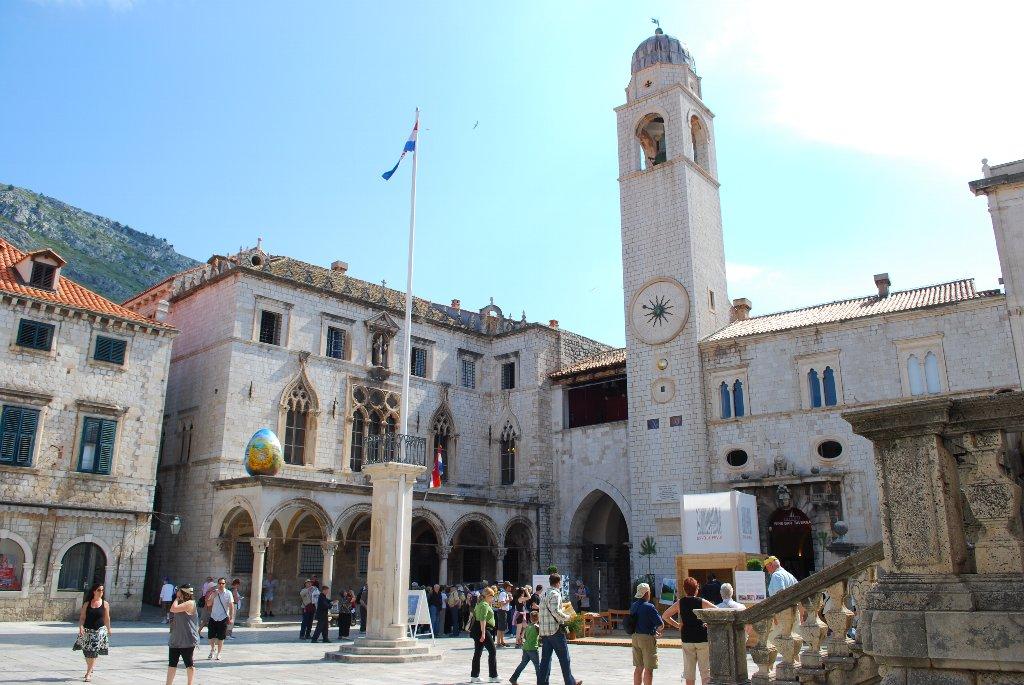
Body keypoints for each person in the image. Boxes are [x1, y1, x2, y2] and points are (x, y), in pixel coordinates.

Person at [661, 577, 715, 685]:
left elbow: (665, 616)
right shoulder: (701, 601)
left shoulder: (680, 603)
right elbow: (717, 611)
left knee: (689, 673)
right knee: (705, 672)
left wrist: (677, 625)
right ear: (697, 589)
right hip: (702, 638)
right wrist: (709, 623)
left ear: (684, 589)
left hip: (687, 638)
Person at [538, 574, 582, 685]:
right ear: (558, 582)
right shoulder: (555, 594)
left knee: (545, 660)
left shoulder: (544, 594)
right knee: (564, 659)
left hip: (545, 632)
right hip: (555, 631)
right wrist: (568, 617)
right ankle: (570, 682)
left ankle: (542, 683)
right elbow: (555, 612)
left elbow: (544, 612)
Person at [630, 583, 664, 685]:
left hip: (635, 637)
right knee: (649, 668)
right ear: (647, 593)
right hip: (647, 638)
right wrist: (657, 631)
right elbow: (660, 624)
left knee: (638, 667)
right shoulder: (649, 606)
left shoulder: (633, 606)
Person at [76, 583, 111, 682]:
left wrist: (109, 629)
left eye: (102, 590)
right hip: (87, 631)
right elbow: (82, 618)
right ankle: (90, 667)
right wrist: (81, 627)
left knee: (93, 652)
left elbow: (107, 618)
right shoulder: (87, 604)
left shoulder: (105, 604)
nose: (101, 592)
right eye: (99, 590)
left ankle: (88, 673)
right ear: (94, 591)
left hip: (99, 631)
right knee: (87, 652)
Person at [166, 583, 199, 685]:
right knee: (172, 664)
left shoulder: (191, 603)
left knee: (189, 664)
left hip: (187, 639)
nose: (177, 592)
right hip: (176, 638)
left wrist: (177, 598)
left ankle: (190, 683)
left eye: (179, 591)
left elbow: (173, 609)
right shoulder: (182, 602)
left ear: (183, 592)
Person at [469, 586, 499, 683]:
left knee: (478, 652)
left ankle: (474, 676)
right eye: (492, 596)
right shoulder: (484, 605)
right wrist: (483, 634)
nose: (493, 598)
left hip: (478, 629)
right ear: (488, 596)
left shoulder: (480, 603)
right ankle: (493, 676)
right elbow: (482, 619)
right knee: (492, 651)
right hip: (483, 629)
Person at [205, 577, 234, 661]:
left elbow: (231, 606)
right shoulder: (214, 592)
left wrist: (231, 617)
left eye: (223, 583)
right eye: (220, 583)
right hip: (213, 616)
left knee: (221, 637)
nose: (221, 585)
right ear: (217, 584)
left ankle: (219, 653)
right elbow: (208, 604)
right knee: (211, 636)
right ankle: (212, 649)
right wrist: (213, 596)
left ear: (225, 584)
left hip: (223, 617)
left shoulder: (228, 593)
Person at [509, 610, 541, 685]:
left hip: (525, 648)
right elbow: (541, 636)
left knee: (522, 664)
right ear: (538, 618)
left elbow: (525, 637)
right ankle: (540, 682)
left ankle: (513, 678)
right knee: (538, 667)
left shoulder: (527, 627)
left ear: (530, 618)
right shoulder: (537, 627)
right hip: (533, 648)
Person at [495, 583, 510, 647]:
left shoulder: (504, 593)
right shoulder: (503, 593)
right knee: (500, 628)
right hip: (502, 611)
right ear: (507, 587)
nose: (510, 588)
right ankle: (499, 642)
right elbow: (502, 603)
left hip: (502, 611)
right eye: (509, 587)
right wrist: (509, 600)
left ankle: (502, 641)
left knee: (502, 628)